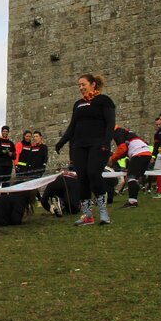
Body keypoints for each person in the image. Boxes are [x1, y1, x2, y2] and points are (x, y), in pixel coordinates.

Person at [54, 74, 116, 226]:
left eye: (83, 84)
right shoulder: (78, 104)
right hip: (79, 146)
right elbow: (72, 126)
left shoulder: (104, 100)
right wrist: (61, 142)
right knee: (82, 179)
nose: (81, 88)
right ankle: (88, 215)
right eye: (79, 85)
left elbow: (110, 123)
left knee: (94, 174)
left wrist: (106, 142)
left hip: (98, 144)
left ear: (93, 84)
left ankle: (103, 212)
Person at [109, 127, 153, 210]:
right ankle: (134, 199)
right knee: (135, 177)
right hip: (146, 153)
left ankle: (132, 202)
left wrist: (112, 159)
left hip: (138, 153)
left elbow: (122, 149)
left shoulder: (117, 133)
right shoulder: (127, 132)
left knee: (131, 177)